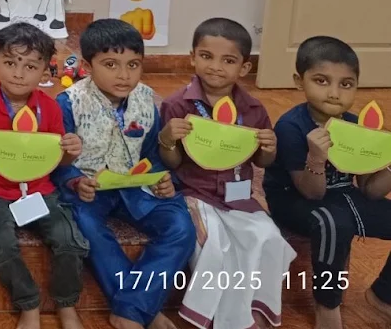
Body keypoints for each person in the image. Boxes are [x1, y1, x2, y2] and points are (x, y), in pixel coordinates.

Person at [53, 19, 195, 329]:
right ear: (87, 66)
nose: (124, 75)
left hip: (134, 186)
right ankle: (141, 309)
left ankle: (131, 308)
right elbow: (57, 160)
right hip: (88, 188)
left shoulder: (146, 99)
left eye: (133, 64)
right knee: (86, 227)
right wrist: (76, 181)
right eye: (110, 64)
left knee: (181, 226)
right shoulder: (69, 103)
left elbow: (152, 153)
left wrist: (161, 178)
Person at [158, 17, 292, 329]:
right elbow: (172, 163)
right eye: (206, 56)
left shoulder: (254, 109)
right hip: (194, 194)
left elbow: (262, 161)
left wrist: (269, 147)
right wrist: (167, 138)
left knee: (269, 238)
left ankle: (253, 315)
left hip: (239, 197)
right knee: (215, 248)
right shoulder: (177, 105)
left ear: (244, 68)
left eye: (228, 60)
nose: (216, 67)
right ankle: (224, 320)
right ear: (192, 57)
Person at [0, 22, 87, 329]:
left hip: (39, 190)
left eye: (30, 66)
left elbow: (57, 162)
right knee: (0, 246)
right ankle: (29, 305)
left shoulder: (50, 109)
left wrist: (71, 151)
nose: (18, 74)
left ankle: (66, 304)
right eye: (10, 63)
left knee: (70, 240)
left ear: (45, 71)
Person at [265, 36, 391, 329]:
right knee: (334, 223)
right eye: (321, 81)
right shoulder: (291, 126)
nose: (334, 93)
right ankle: (327, 304)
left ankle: (383, 294)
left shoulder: (355, 124)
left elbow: (370, 191)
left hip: (344, 196)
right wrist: (316, 158)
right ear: (299, 81)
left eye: (346, 84)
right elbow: (312, 193)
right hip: (295, 199)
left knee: (340, 216)